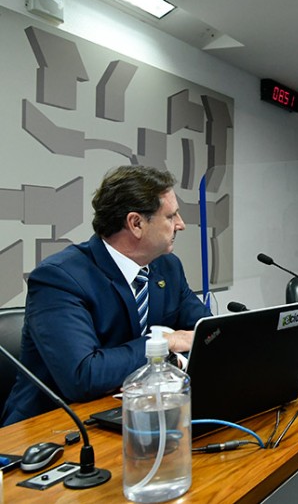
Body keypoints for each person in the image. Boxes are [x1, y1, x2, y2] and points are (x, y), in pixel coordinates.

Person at [2, 165, 210, 425]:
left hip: (137, 412)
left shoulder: (167, 267)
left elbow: (207, 336)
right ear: (136, 223)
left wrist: (174, 356)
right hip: (50, 427)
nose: (181, 225)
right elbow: (84, 376)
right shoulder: (59, 278)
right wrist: (165, 343)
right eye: (171, 216)